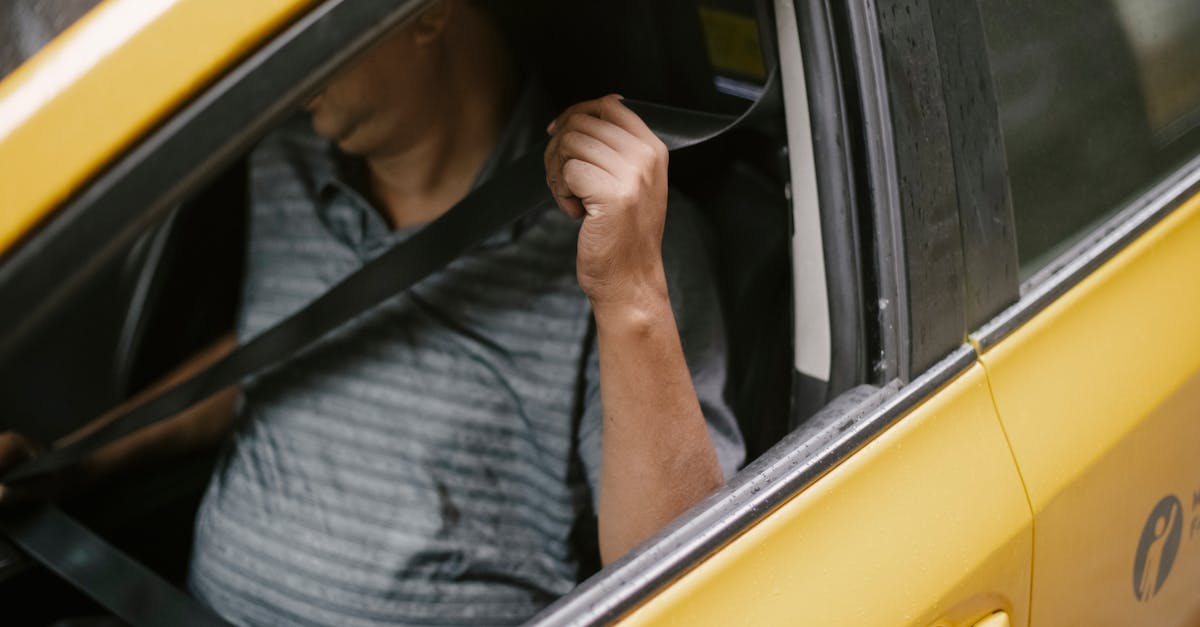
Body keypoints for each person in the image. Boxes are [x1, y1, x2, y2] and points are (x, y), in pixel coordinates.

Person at [0, 1, 743, 624]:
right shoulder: (286, 157)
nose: (275, 62)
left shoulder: (628, 238)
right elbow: (271, 350)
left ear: (425, 15)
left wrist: (629, 295)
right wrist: (80, 458)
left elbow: (680, 584)